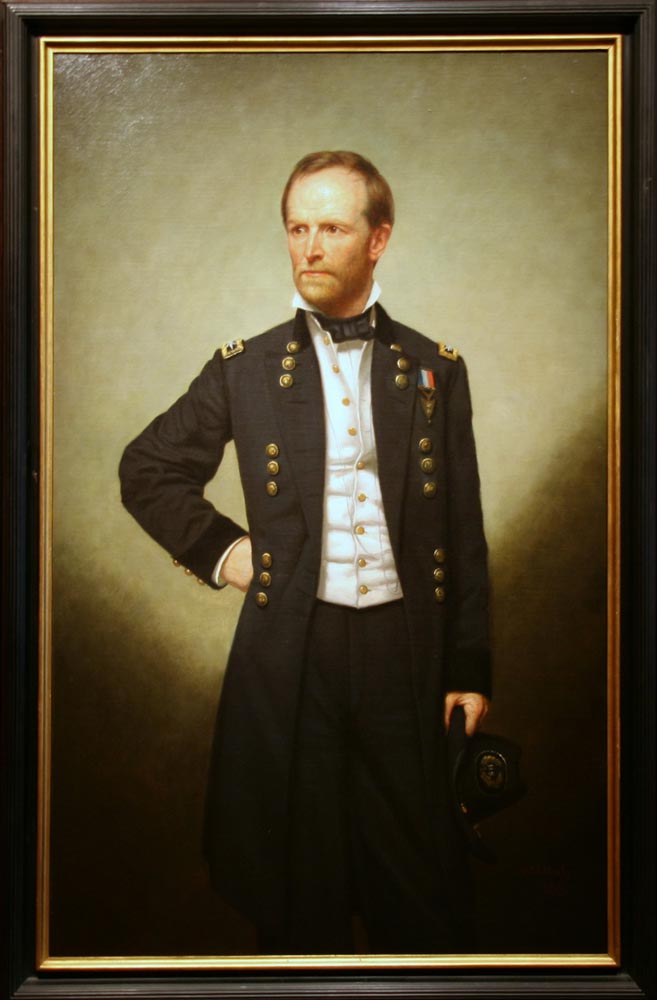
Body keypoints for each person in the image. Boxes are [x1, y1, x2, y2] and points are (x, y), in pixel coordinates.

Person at [119, 150, 491, 956]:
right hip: (292, 653)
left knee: (423, 896)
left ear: (378, 238)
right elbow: (147, 468)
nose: (309, 247)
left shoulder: (435, 370)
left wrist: (468, 668)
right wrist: (225, 550)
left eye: (331, 228)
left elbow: (462, 529)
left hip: (405, 653)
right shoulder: (245, 369)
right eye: (296, 228)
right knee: (295, 889)